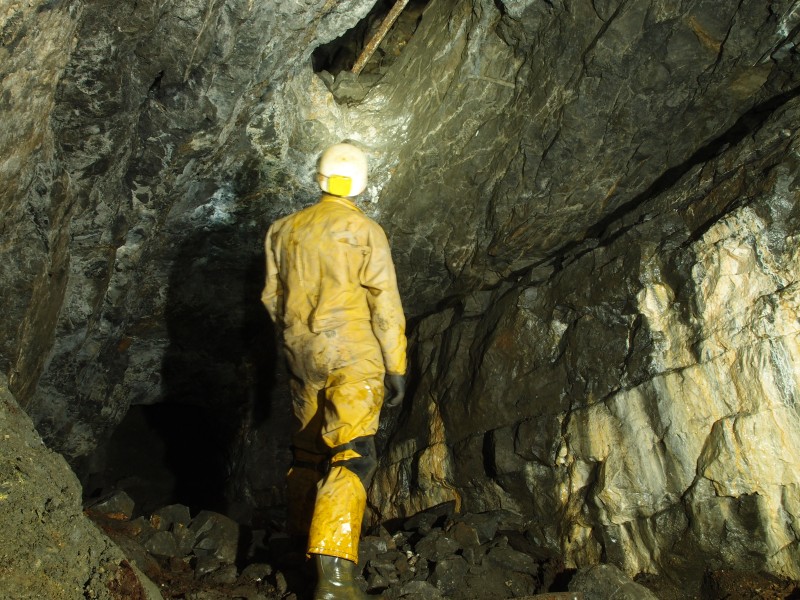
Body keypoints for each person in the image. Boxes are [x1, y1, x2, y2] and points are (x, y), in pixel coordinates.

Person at [261, 142, 407, 599]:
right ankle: (335, 577)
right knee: (352, 452)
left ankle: (298, 550)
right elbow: (384, 305)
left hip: (302, 355)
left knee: (307, 453)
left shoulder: (281, 230)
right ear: (359, 182)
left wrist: (297, 342)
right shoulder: (364, 230)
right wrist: (395, 364)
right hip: (353, 352)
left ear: (319, 177)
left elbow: (270, 298)